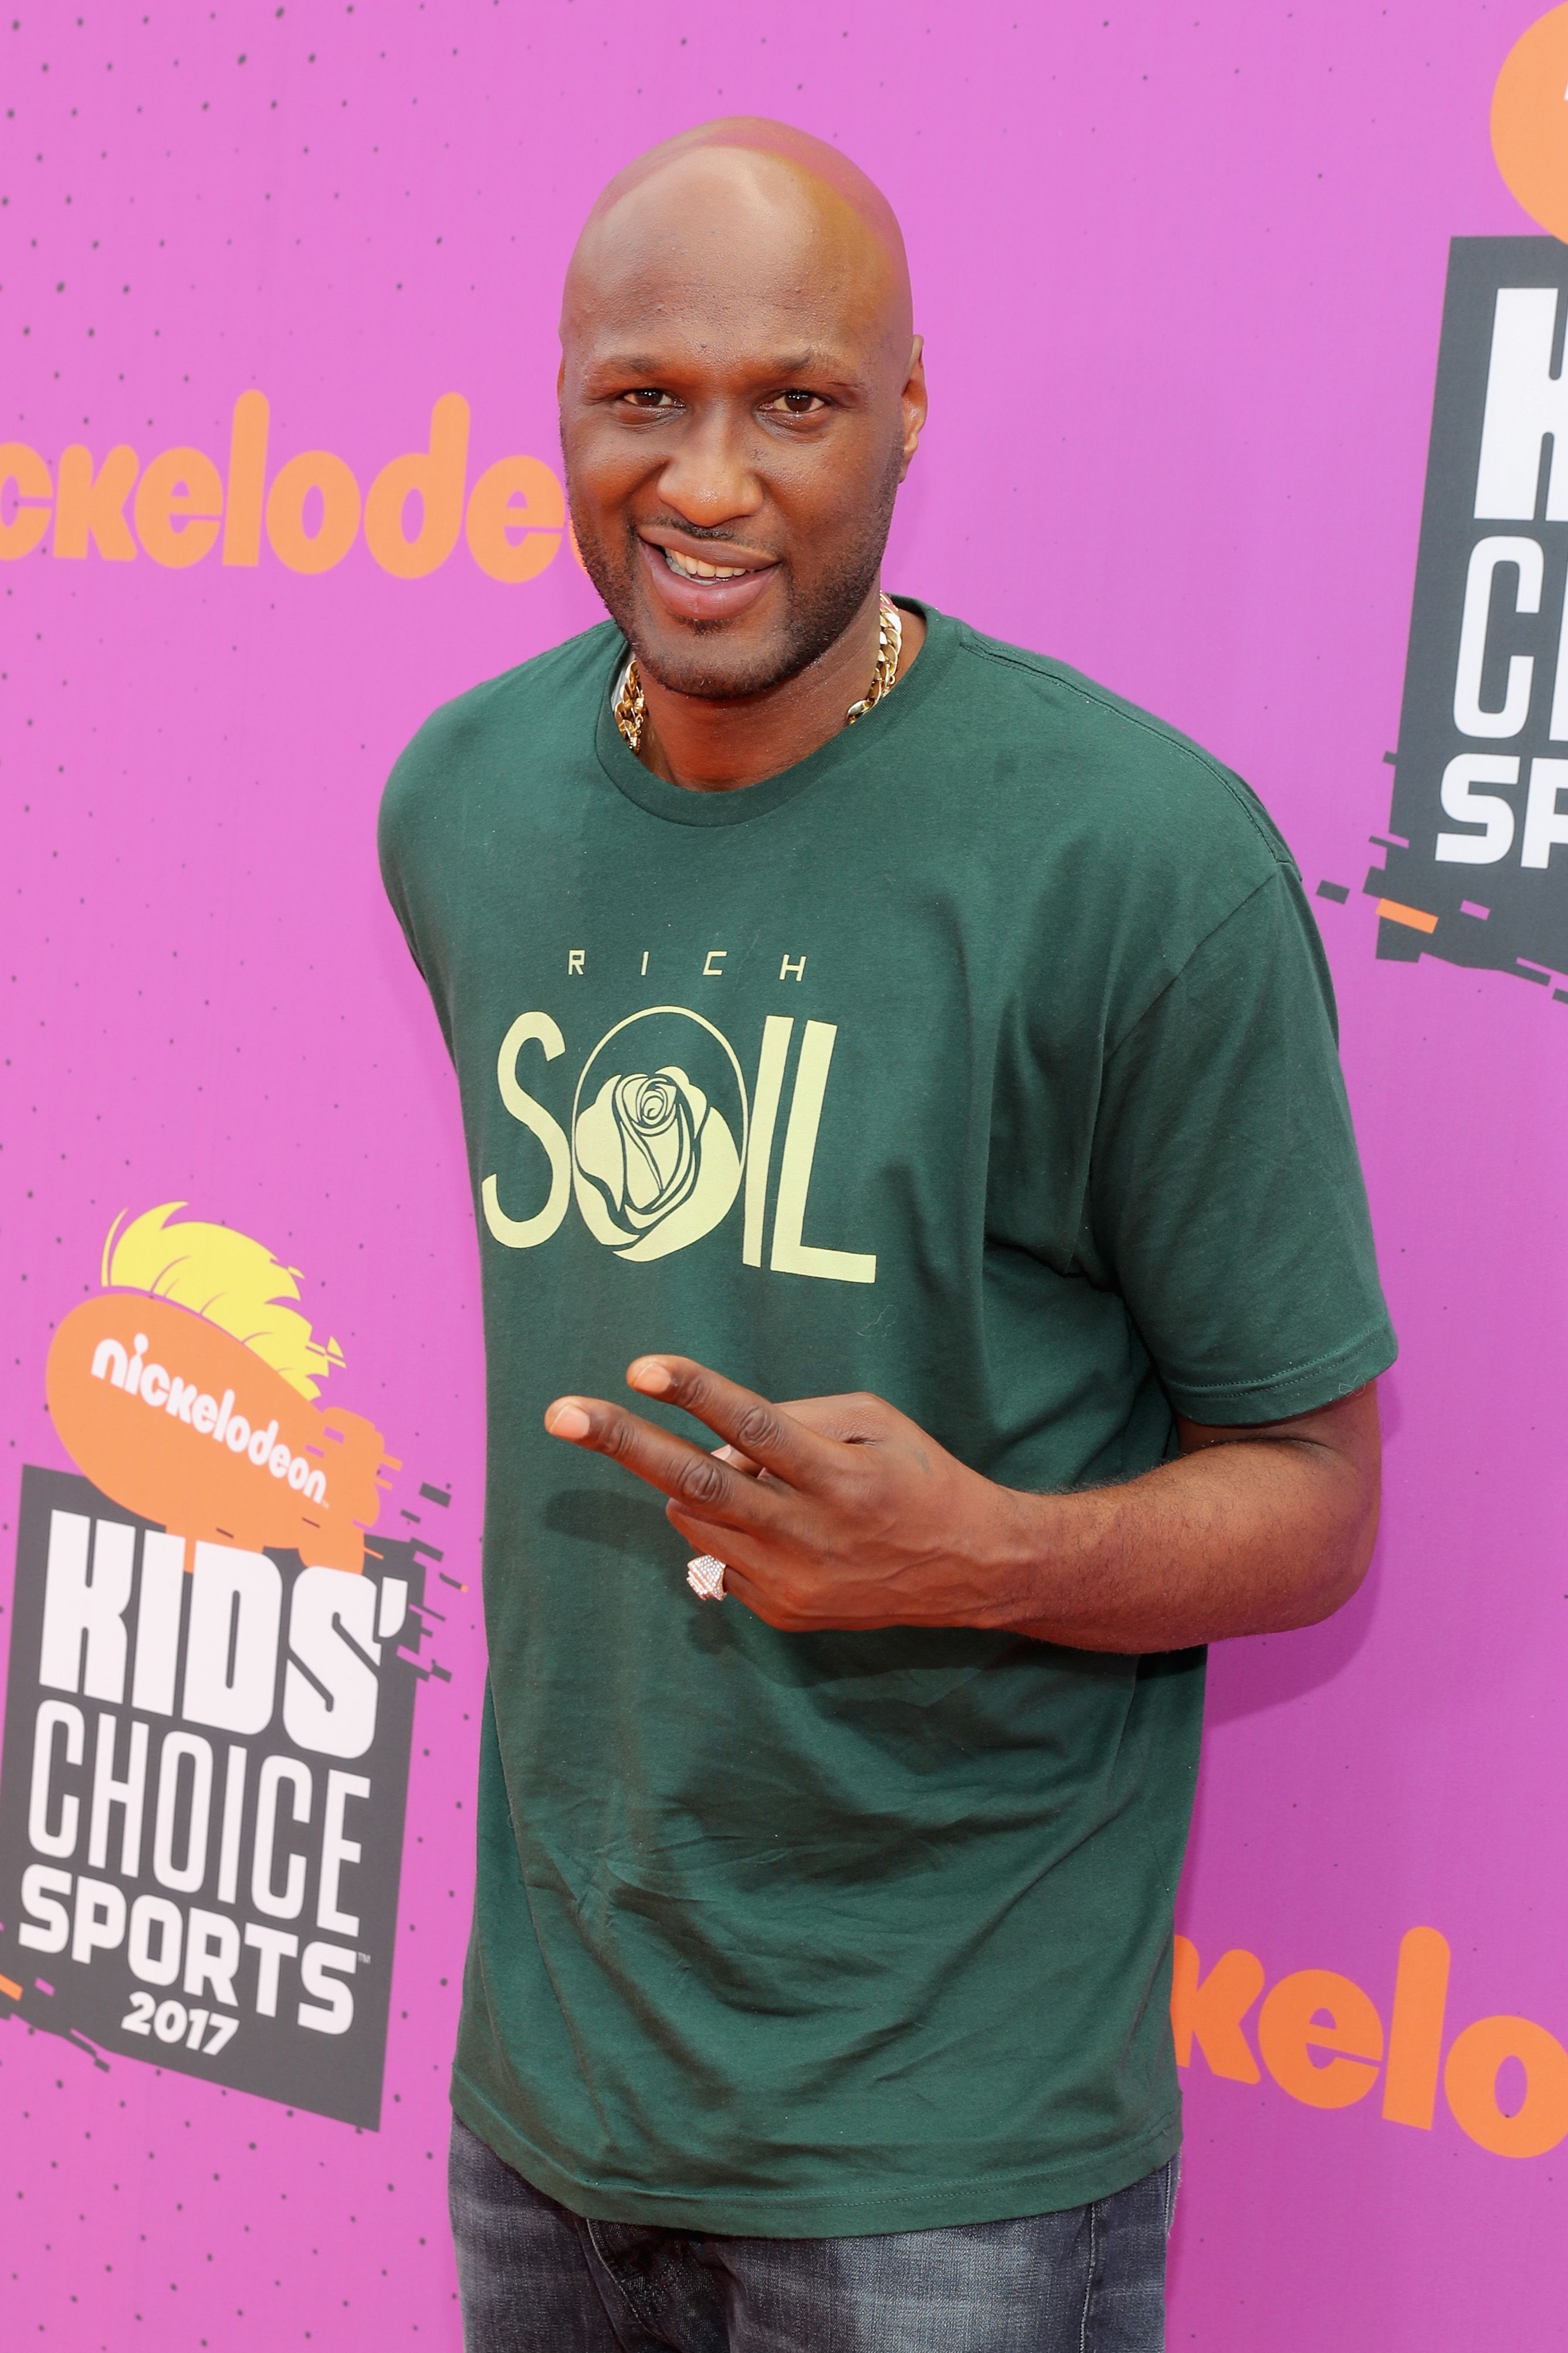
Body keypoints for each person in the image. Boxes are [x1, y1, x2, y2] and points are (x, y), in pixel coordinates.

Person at [379, 117, 1394, 2353]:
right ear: (559, 402)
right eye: (644, 396)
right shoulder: (459, 804)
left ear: (908, 412)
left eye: (795, 401)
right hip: (546, 2110)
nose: (710, 484)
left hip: (948, 2153)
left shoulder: (1136, 861)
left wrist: (982, 1557)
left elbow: (1317, 1504)